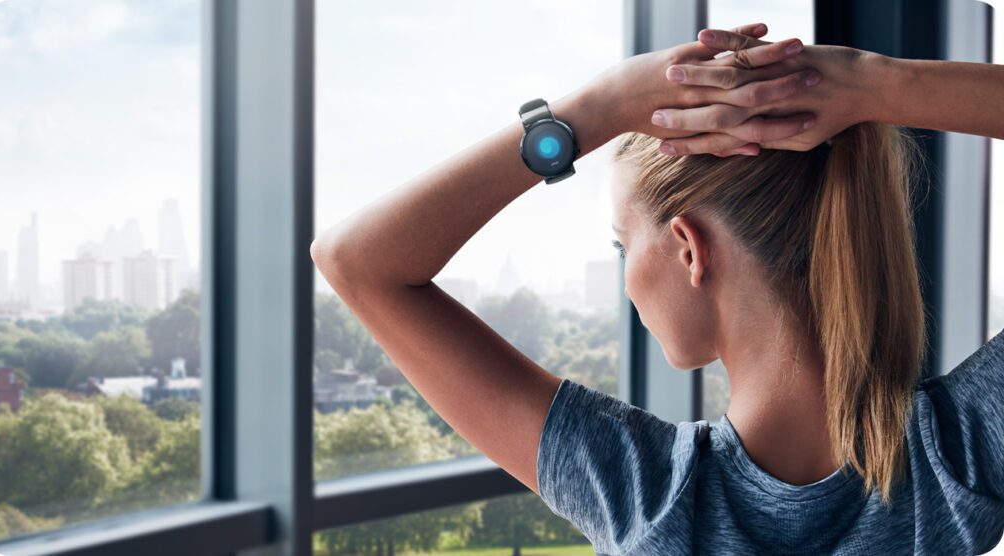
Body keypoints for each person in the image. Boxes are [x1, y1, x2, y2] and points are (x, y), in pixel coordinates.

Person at [310, 22, 1004, 555]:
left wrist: (602, 104)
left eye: (622, 245)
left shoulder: (642, 492)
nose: (626, 280)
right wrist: (882, 87)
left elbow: (356, 261)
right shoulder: (955, 461)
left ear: (687, 248)